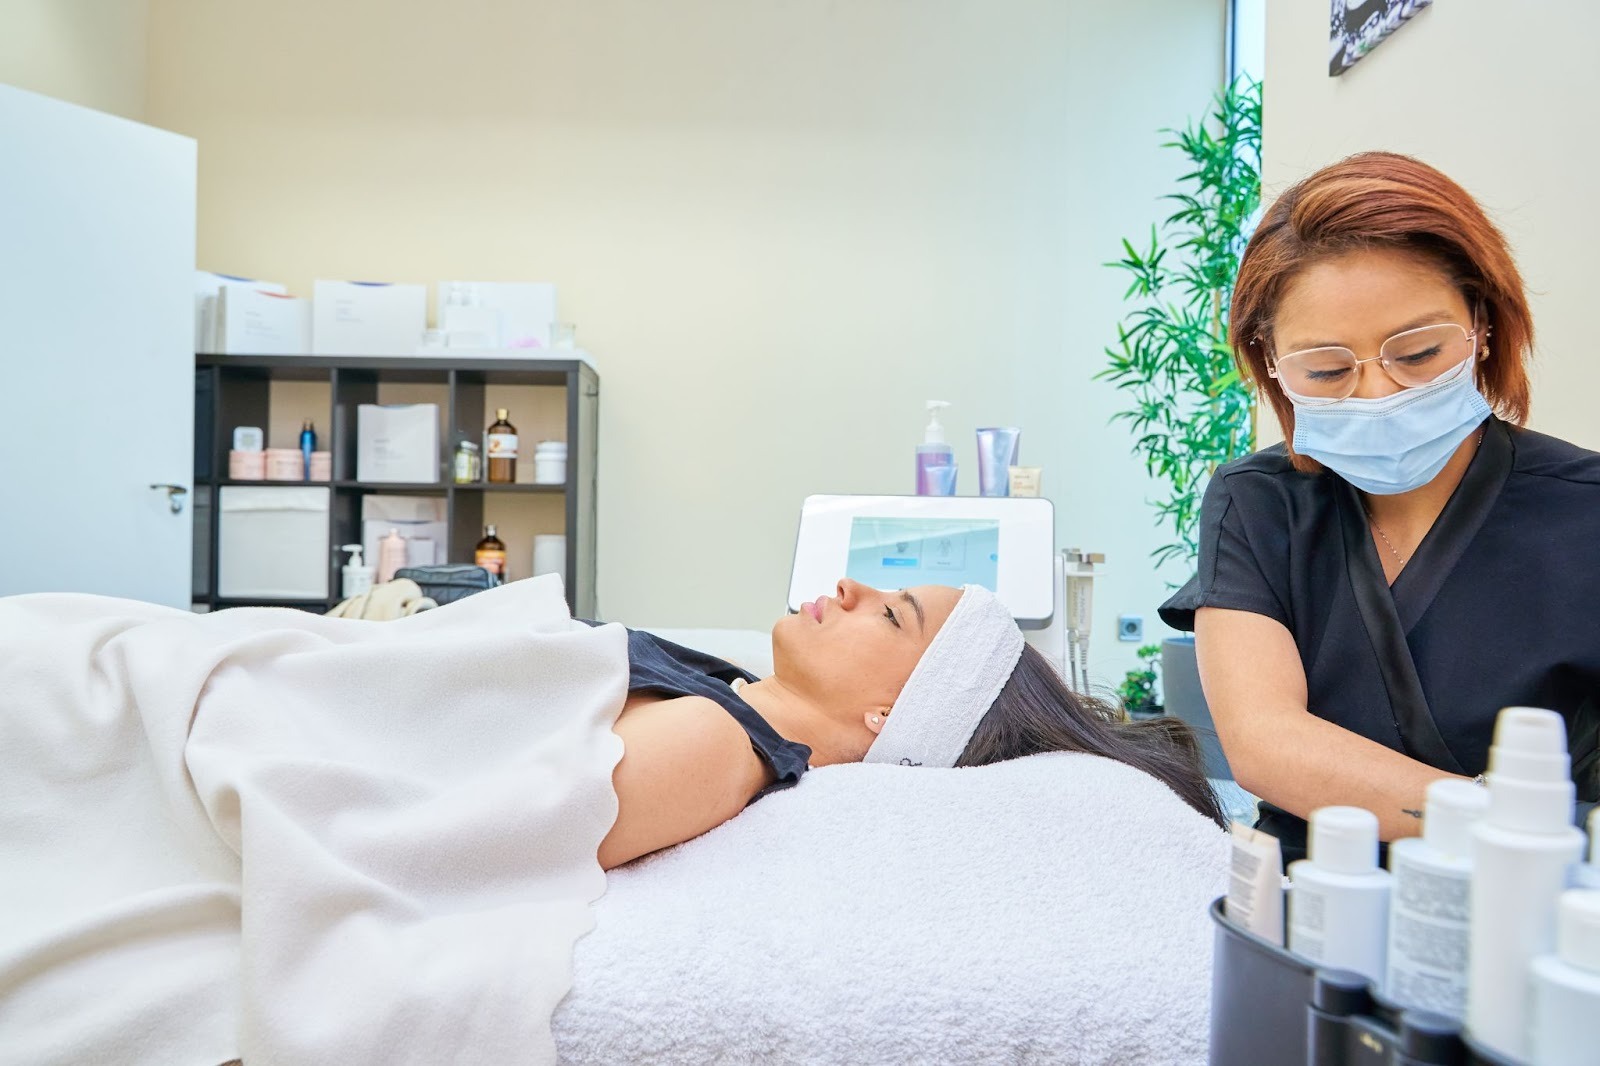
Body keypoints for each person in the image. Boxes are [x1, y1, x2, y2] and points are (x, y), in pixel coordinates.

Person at [1159, 151, 1600, 862]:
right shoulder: (1259, 503)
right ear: (1271, 362)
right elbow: (1266, 743)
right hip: (1309, 911)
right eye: (1327, 369)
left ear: (1481, 325)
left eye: (1418, 353)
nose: (1377, 393)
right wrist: (1507, 822)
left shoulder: (1584, 511)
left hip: (1541, 922)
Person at [602, 577, 1225, 867]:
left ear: (892, 714)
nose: (850, 587)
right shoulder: (725, 693)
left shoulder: (718, 744)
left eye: (892, 616)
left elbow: (527, 815)